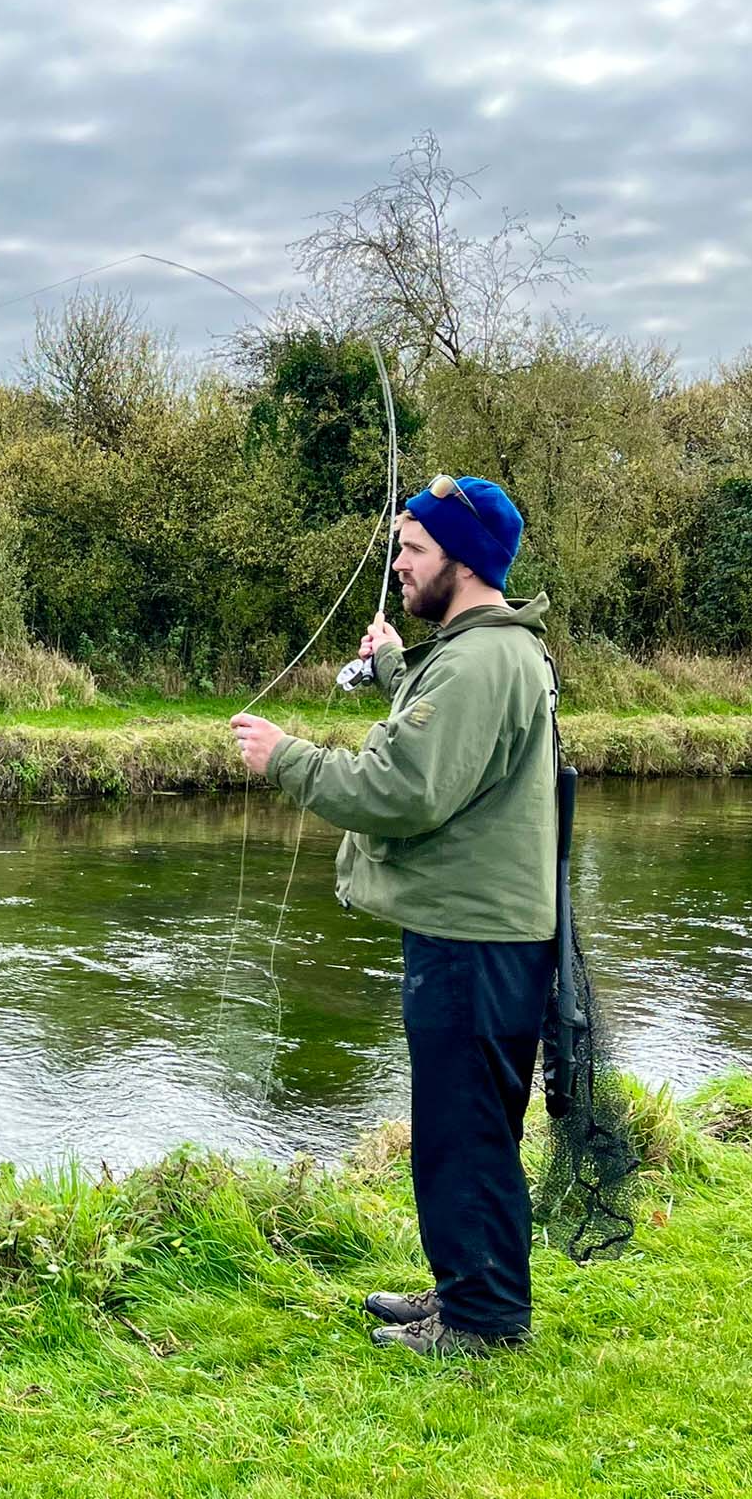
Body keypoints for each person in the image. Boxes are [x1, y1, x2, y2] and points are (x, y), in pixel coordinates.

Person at [229, 474, 557, 1359]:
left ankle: (484, 1321)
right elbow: (443, 732)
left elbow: (404, 787)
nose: (400, 565)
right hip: (475, 930)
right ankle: (466, 1291)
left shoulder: (483, 659)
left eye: (413, 549)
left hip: (475, 938)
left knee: (467, 1130)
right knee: (460, 1123)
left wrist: (286, 758)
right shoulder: (476, 652)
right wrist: (392, 670)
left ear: (462, 559)